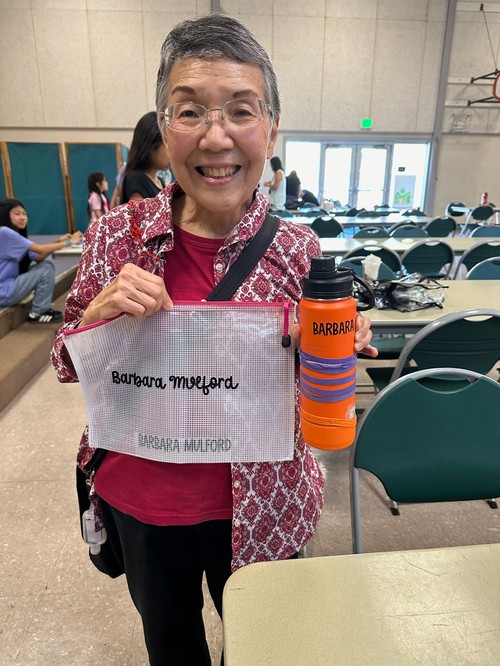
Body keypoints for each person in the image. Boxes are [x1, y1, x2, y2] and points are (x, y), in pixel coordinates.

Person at [50, 15, 376, 665]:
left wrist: (336, 343)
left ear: (271, 129)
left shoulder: (296, 249)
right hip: (141, 500)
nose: (216, 135)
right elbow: (65, 361)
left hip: (265, 500)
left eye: (241, 111)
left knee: (267, 648)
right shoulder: (117, 235)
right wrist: (98, 317)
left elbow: (317, 380)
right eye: (190, 111)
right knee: (171, 647)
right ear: (164, 126)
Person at [0, 198, 82, 322]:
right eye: (17, 214)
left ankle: (39, 310)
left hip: (7, 286)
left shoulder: (12, 234)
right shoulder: (4, 232)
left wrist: (58, 241)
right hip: (3, 291)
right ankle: (38, 313)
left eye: (24, 214)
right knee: (46, 270)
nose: (23, 217)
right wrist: (69, 242)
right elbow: (41, 249)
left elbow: (38, 257)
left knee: (45, 266)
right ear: (5, 215)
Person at [120, 111, 170, 202]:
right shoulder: (136, 179)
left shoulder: (160, 181)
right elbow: (139, 211)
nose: (171, 153)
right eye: (168, 147)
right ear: (151, 147)